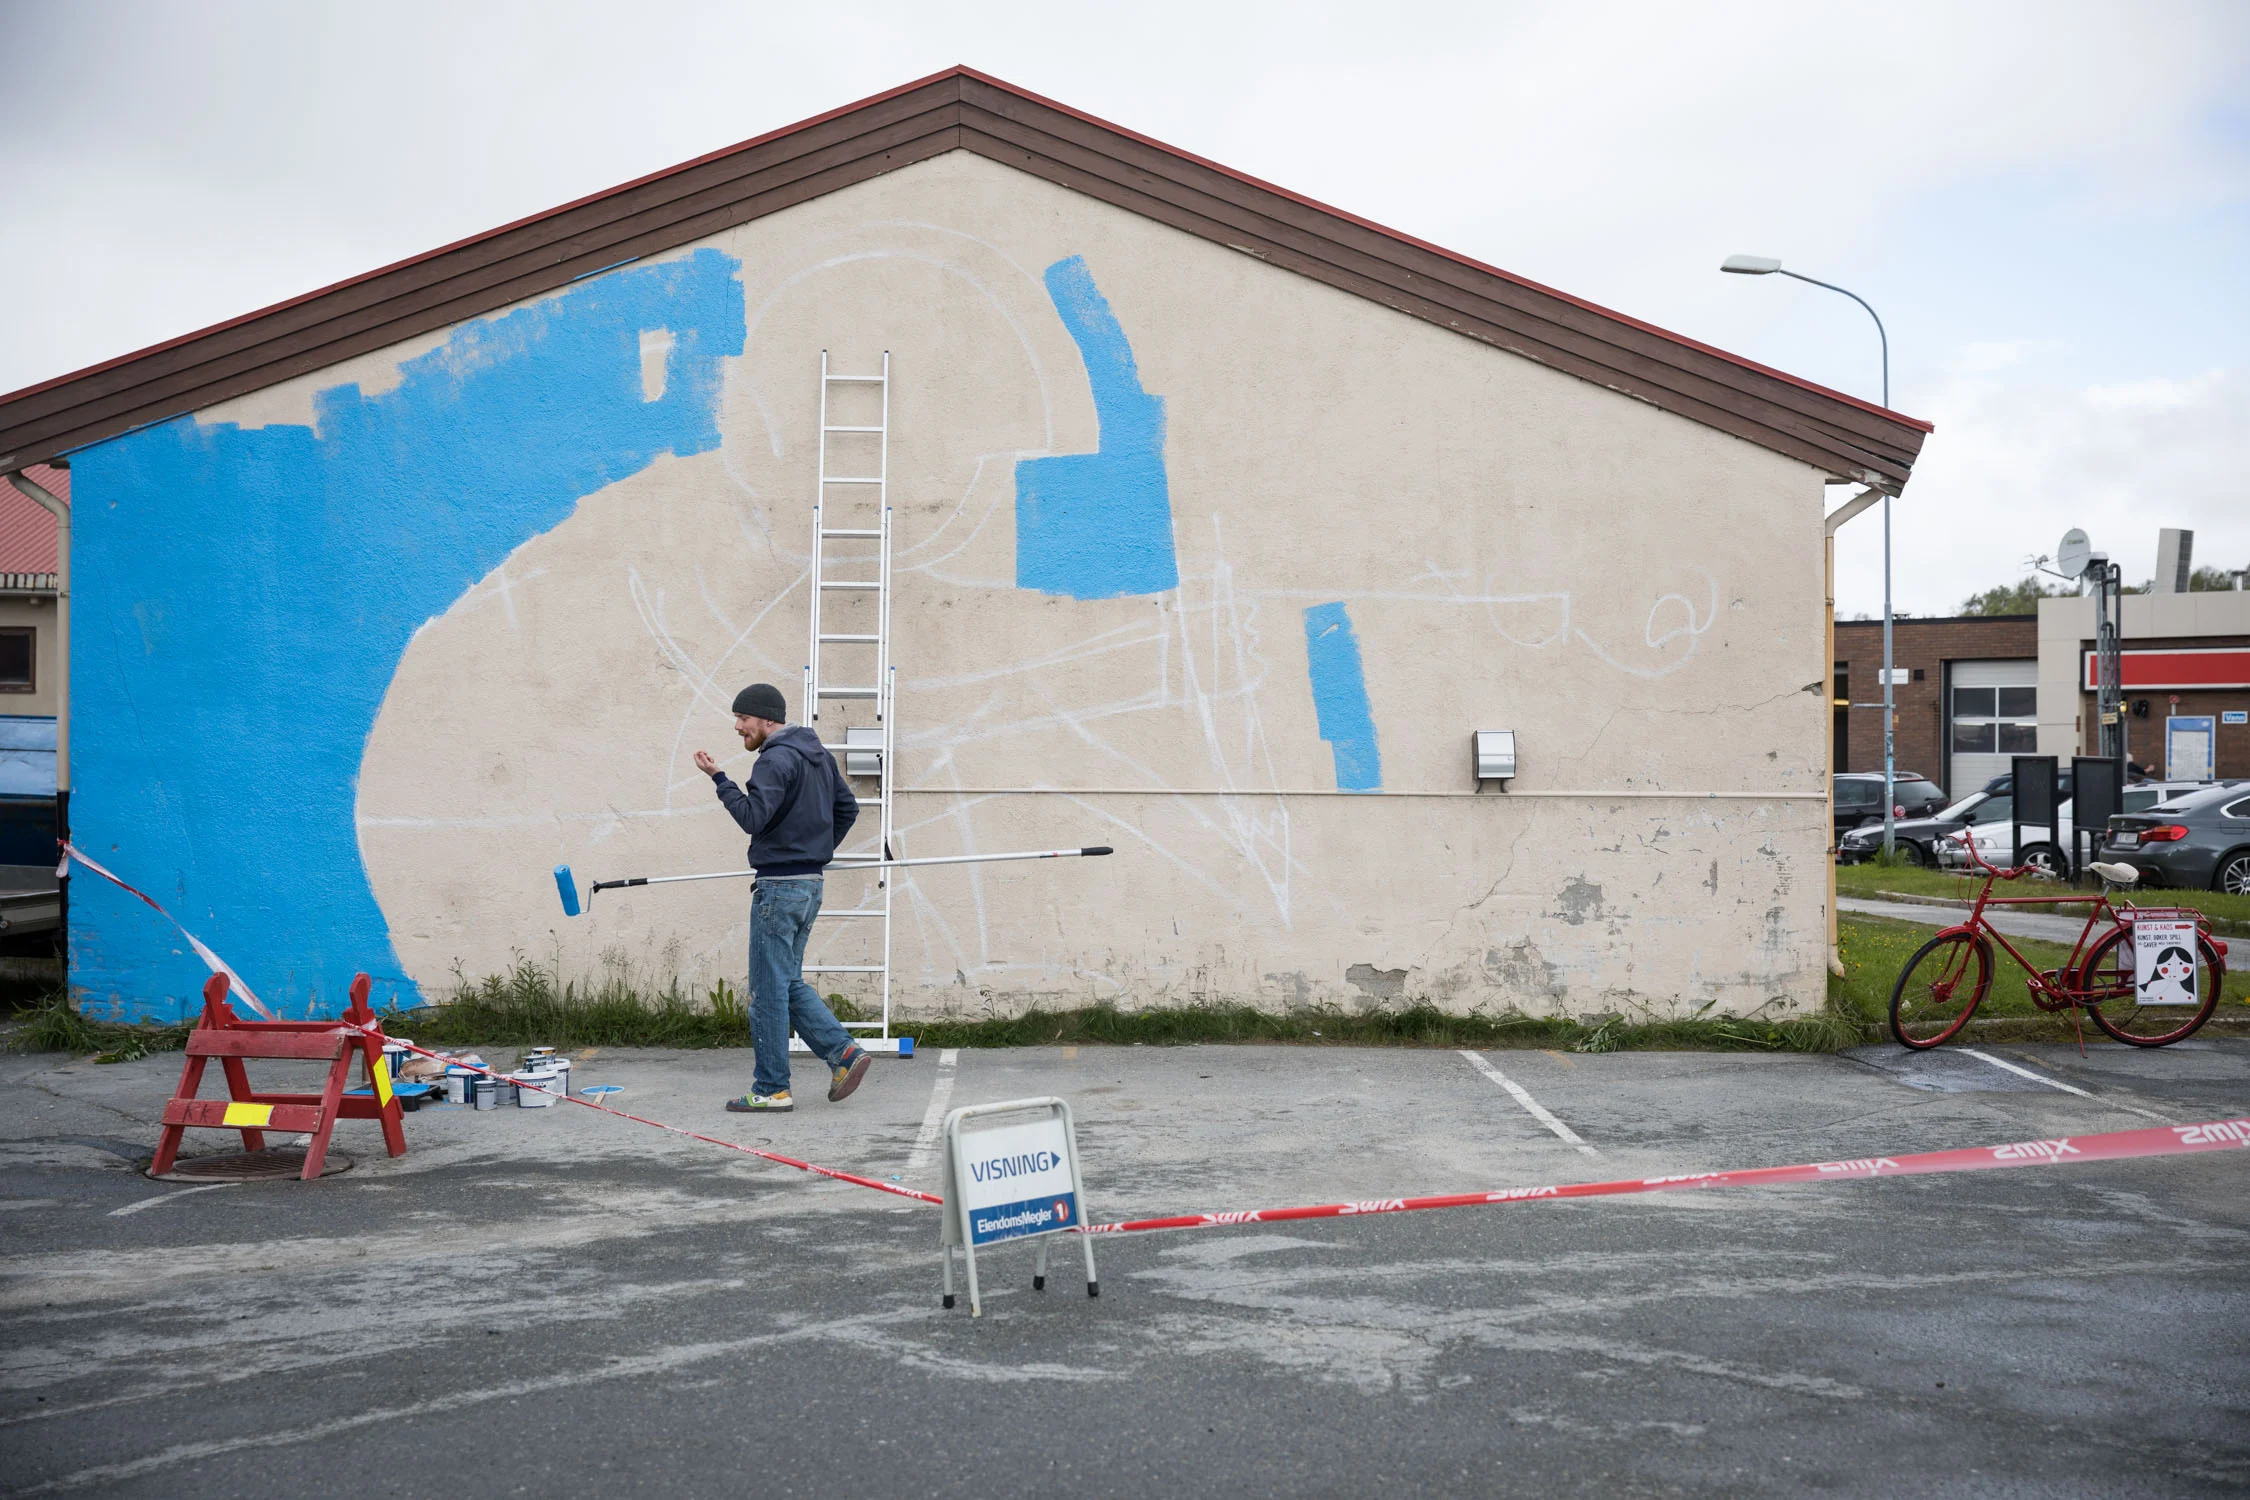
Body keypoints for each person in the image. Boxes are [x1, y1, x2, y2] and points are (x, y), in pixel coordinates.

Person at [693, 683, 871, 1113]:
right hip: (810, 884)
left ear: (767, 720)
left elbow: (752, 817)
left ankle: (772, 1088)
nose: (738, 727)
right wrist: (815, 850)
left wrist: (720, 780)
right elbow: (847, 809)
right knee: (786, 981)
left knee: (768, 993)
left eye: (744, 719)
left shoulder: (774, 760)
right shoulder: (815, 753)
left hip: (779, 887)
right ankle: (844, 1054)